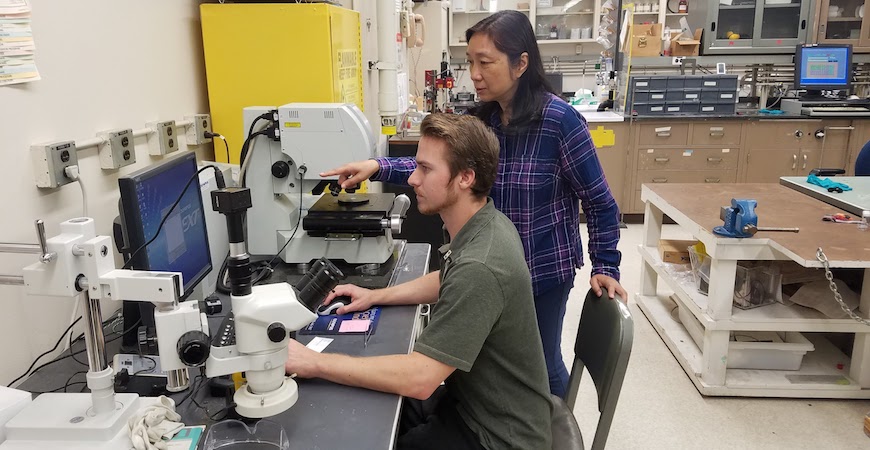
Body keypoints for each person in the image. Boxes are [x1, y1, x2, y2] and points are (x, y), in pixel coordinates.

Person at [321, 10, 626, 397]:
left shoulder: (560, 123)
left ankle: (553, 429)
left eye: (486, 62)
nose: (475, 73)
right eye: (471, 62)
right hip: (491, 265)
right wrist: (375, 166)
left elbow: (599, 202)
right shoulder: (486, 121)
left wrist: (606, 265)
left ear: (521, 64)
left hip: (543, 272)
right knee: (489, 370)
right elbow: (437, 164)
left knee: (541, 369)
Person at [286, 113, 552, 450]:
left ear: (465, 178)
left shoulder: (482, 264)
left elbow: (422, 378)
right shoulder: (486, 223)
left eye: (425, 169)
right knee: (372, 406)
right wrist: (375, 296)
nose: (412, 179)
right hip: (473, 402)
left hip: (497, 436)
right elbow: (449, 278)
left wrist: (313, 362)